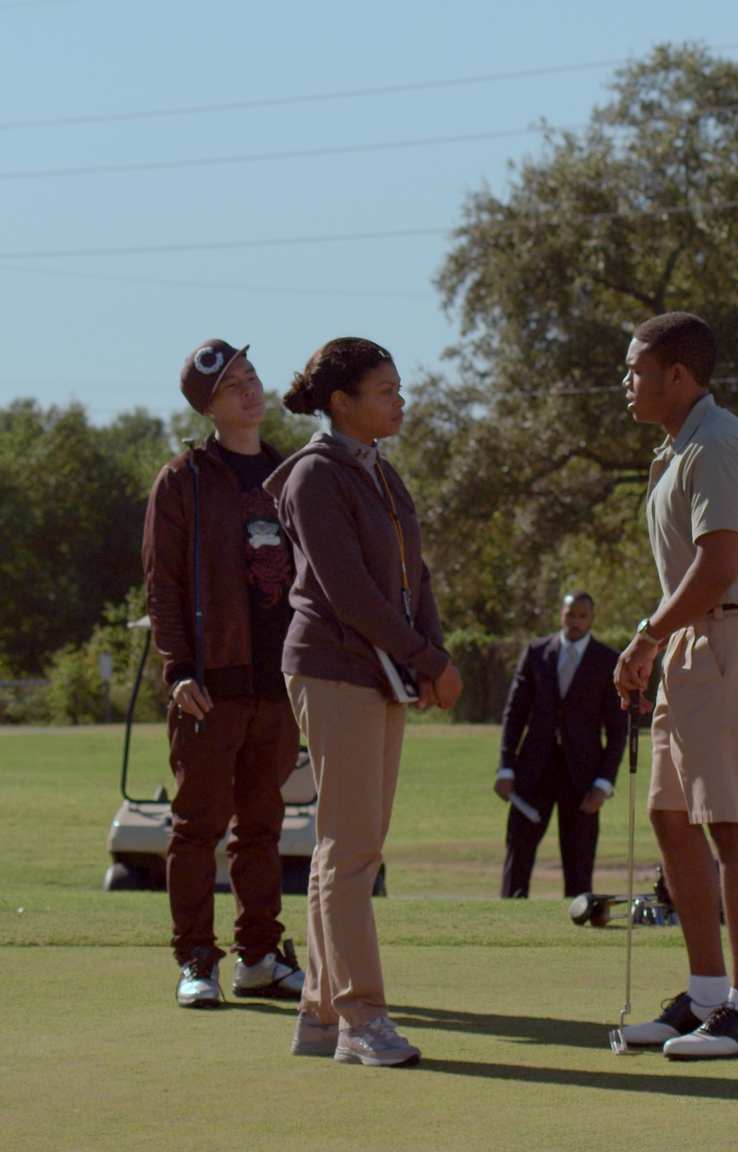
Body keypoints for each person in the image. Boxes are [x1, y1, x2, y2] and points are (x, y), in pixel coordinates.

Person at [267, 337, 463, 1068]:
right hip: (332, 666)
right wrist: (426, 660)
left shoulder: (382, 471)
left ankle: (321, 1020)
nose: (400, 400)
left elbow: (418, 575)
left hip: (379, 673)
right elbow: (347, 591)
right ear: (341, 403)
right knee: (350, 853)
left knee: (349, 848)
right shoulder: (315, 475)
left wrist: (431, 654)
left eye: (398, 387)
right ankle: (361, 1019)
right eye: (385, 390)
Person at [611, 312, 738, 1061]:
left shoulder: (717, 444)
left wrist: (648, 636)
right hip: (695, 639)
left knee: (729, 825)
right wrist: (662, 637)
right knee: (670, 818)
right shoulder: (679, 446)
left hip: (732, 634)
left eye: (635, 371)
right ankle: (708, 993)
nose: (626, 383)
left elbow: (717, 565)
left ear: (677, 376)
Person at [142, 338, 306, 1010]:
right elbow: (163, 582)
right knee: (198, 826)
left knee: (264, 827)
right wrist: (178, 668)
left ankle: (261, 956)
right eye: (232, 384)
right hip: (211, 683)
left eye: (252, 376)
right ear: (207, 405)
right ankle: (196, 962)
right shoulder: (182, 479)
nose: (250, 390)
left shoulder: (291, 473)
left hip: (280, 681)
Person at [495, 591, 625, 898]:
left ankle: (577, 927)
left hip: (582, 779)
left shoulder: (608, 660)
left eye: (582, 616)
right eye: (570, 615)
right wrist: (505, 769)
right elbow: (514, 715)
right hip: (532, 773)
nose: (575, 622)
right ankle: (510, 923)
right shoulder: (536, 652)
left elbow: (618, 731)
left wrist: (604, 784)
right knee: (518, 856)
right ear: (561, 615)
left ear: (592, 619)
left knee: (579, 865)